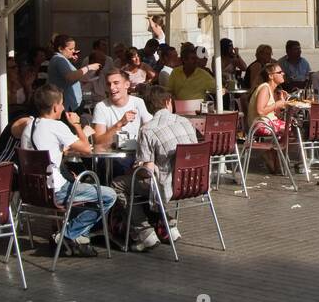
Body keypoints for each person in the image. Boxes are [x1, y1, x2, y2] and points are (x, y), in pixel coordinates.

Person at [18, 84, 116, 256]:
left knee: (81, 185)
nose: (63, 107)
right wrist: (77, 124)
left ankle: (76, 236)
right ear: (56, 107)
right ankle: (67, 234)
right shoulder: (57, 126)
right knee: (108, 195)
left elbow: (46, 151)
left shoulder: (29, 126)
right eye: (62, 104)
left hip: (33, 191)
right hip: (57, 191)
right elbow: (86, 149)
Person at [124, 86, 199, 252]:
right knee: (155, 177)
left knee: (119, 184)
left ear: (150, 108)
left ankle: (144, 231)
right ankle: (168, 224)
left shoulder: (147, 129)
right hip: (195, 183)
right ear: (168, 102)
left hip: (169, 188)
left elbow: (147, 169)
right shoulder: (185, 121)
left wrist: (137, 166)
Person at [90, 69, 153, 150]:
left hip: (137, 155)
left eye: (116, 83)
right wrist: (120, 124)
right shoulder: (101, 107)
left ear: (127, 85)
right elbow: (98, 142)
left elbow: (150, 129)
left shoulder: (138, 102)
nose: (112, 87)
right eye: (109, 84)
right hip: (113, 157)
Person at [46, 35, 100, 115]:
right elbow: (70, 77)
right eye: (70, 49)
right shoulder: (59, 59)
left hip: (71, 103)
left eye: (74, 48)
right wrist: (89, 67)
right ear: (60, 49)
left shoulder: (61, 59)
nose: (73, 51)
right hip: (67, 105)